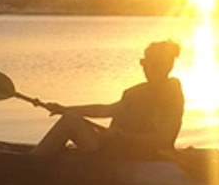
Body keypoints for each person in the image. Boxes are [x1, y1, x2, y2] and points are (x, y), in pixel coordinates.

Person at [32, 40, 185, 159]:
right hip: (115, 148)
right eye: (143, 62)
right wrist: (65, 109)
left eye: (150, 63)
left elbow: (163, 139)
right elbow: (107, 110)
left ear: (165, 66)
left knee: (69, 122)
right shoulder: (135, 93)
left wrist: (123, 137)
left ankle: (30, 164)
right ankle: (35, 159)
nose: (144, 67)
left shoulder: (171, 95)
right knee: (69, 117)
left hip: (139, 156)